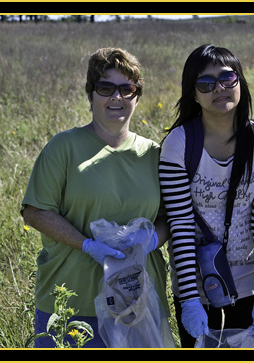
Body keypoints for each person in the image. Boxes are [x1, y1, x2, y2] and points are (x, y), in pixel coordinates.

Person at [21, 47, 170, 348]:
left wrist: (151, 240)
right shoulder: (63, 148)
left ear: (137, 95)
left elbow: (170, 216)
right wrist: (87, 245)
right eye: (105, 88)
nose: (117, 97)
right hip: (72, 309)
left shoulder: (155, 154)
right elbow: (35, 212)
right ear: (91, 95)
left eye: (126, 89)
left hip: (138, 304)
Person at [159, 44, 254, 347]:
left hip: (250, 287)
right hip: (197, 286)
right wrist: (189, 299)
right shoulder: (179, 144)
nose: (219, 88)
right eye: (206, 84)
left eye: (228, 78)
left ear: (240, 81)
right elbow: (180, 225)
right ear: (194, 93)